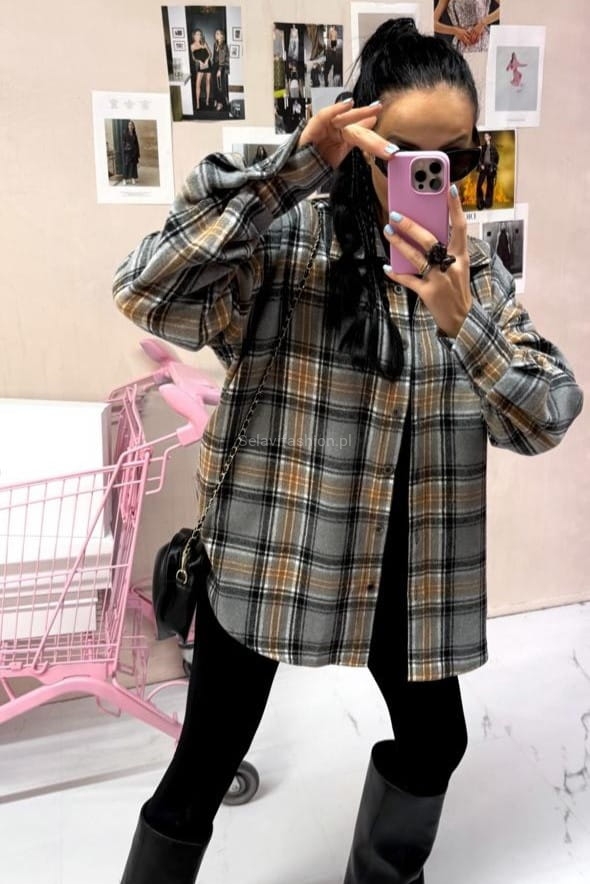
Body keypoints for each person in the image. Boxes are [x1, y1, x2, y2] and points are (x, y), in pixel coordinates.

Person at [113, 18, 582, 884]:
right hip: (272, 559)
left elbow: (548, 413)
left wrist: (463, 323)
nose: (429, 178)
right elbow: (146, 288)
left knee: (436, 741)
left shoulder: (471, 274)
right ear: (358, 136)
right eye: (403, 154)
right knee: (201, 769)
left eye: (455, 159)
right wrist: (296, 166)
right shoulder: (286, 240)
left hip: (408, 571)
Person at [434, 0, 500, 53]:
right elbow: (433, 23)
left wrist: (483, 23)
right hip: (460, 44)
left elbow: (505, 6)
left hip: (482, 40)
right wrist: (455, 31)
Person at [476, 131, 499, 210]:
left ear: (490, 137)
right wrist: (481, 165)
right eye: (484, 136)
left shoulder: (493, 148)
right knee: (479, 185)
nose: (485, 137)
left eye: (486, 136)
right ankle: (480, 203)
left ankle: (488, 204)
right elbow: (478, 157)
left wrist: (493, 166)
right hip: (483, 168)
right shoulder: (482, 147)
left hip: (490, 168)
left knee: (490, 186)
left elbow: (497, 158)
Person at [190, 28, 212, 111]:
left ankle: (207, 100)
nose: (198, 36)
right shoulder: (192, 46)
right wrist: (199, 61)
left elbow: (210, 54)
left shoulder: (204, 43)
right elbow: (193, 57)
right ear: (194, 35)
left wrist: (207, 60)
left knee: (208, 82)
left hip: (207, 64)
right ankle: (198, 103)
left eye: (199, 34)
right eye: (197, 34)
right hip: (200, 65)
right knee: (197, 84)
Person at [212, 28, 229, 112]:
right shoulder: (215, 44)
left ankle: (221, 103)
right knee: (215, 84)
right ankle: (216, 99)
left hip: (221, 67)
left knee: (220, 86)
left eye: (218, 33)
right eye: (216, 33)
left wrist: (220, 69)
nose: (216, 35)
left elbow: (222, 59)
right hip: (215, 66)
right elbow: (214, 56)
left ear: (222, 35)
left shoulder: (224, 45)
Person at [121, 120, 140, 185]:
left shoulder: (135, 135)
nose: (130, 126)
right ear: (128, 126)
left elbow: (137, 144)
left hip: (134, 153)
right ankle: (124, 179)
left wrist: (138, 153)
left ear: (133, 126)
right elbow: (123, 143)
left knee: (133, 166)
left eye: (132, 125)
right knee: (126, 166)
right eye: (129, 125)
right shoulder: (125, 134)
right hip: (127, 153)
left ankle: (133, 178)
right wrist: (126, 148)